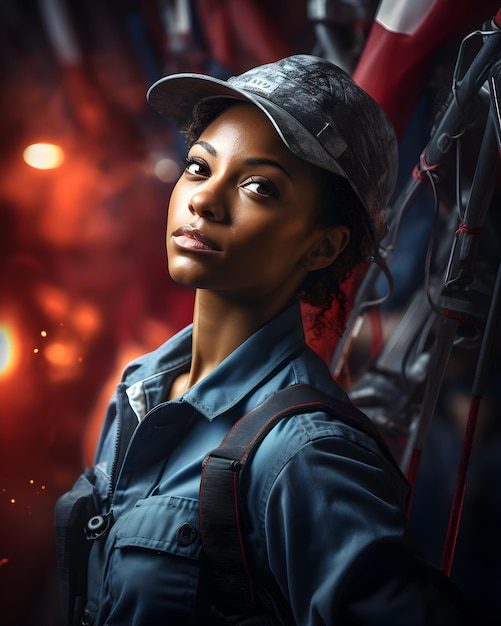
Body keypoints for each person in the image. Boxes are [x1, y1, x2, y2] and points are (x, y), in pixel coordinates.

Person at [55, 55, 470, 625]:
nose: (203, 200)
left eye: (258, 186)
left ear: (323, 247)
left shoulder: (304, 452)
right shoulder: (138, 391)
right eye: (199, 168)